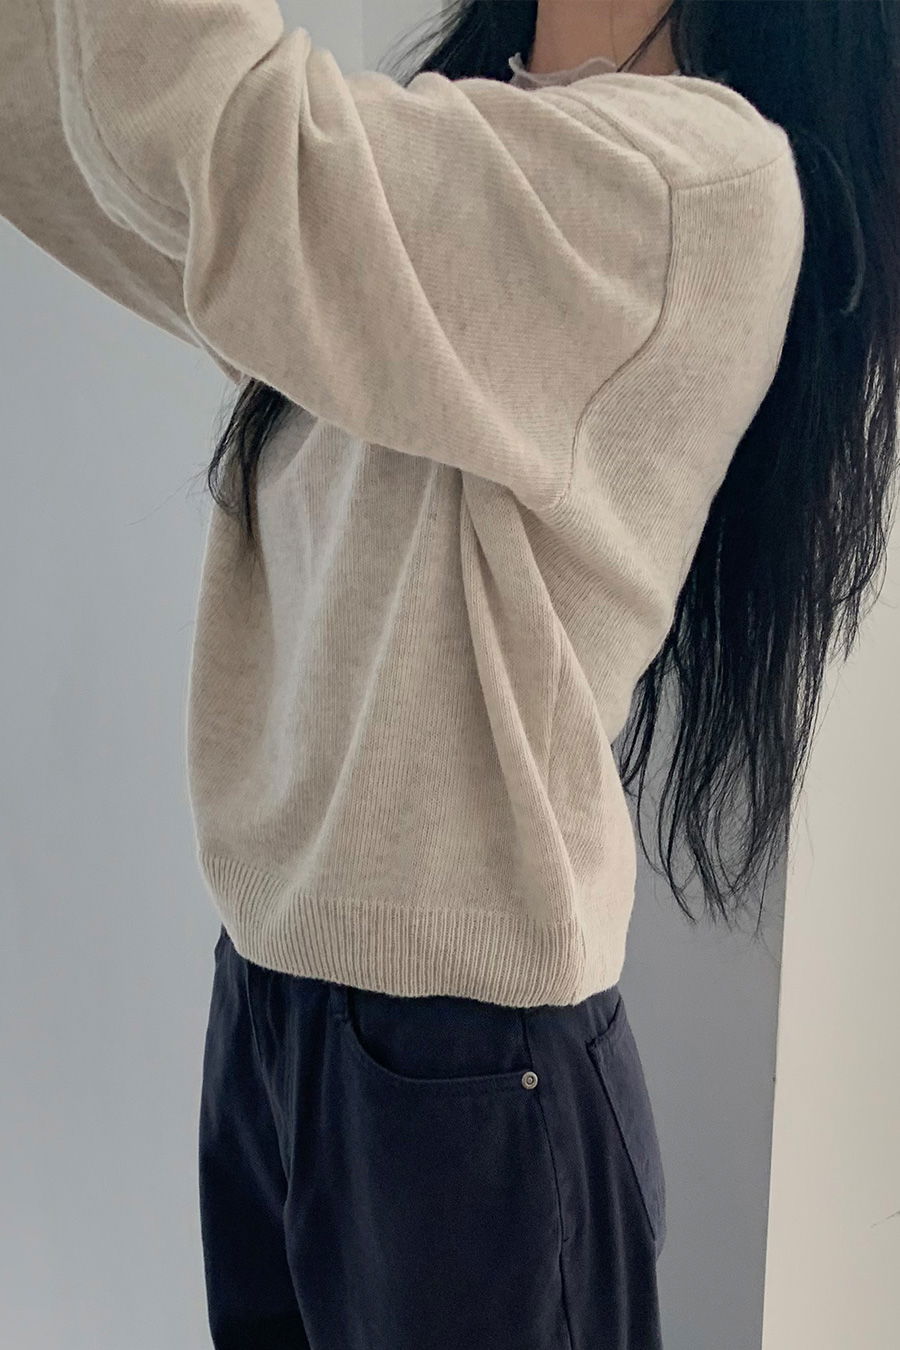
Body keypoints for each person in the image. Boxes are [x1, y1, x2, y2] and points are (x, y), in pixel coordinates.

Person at [2, 1, 897, 1346]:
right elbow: (126, 173)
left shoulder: (695, 187)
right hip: (280, 1001)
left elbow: (234, 153)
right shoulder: (481, 135)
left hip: (464, 1067)